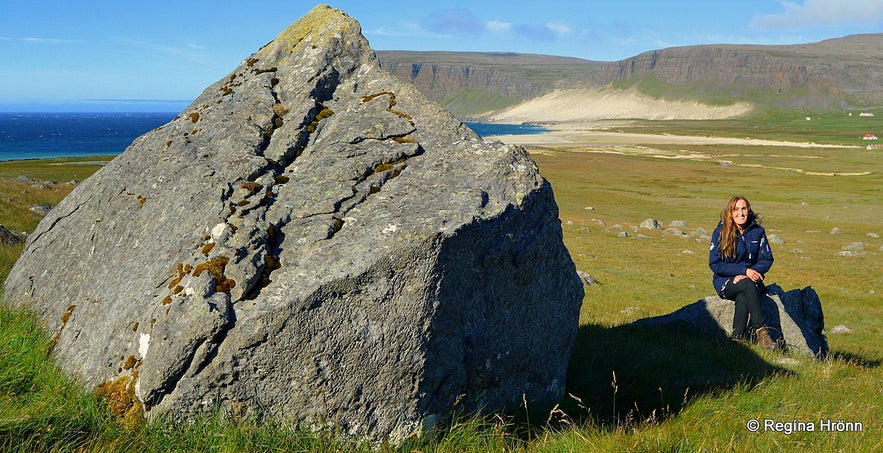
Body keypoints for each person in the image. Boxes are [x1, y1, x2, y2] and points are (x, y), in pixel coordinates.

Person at [708, 195, 778, 348]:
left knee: (744, 295)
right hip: (726, 282)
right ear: (730, 213)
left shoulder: (757, 231)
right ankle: (762, 331)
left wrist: (752, 272)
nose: (740, 213)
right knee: (746, 285)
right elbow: (715, 263)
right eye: (736, 209)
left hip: (750, 281)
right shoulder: (720, 232)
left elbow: (766, 259)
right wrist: (743, 271)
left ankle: (737, 339)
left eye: (744, 208)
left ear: (748, 210)